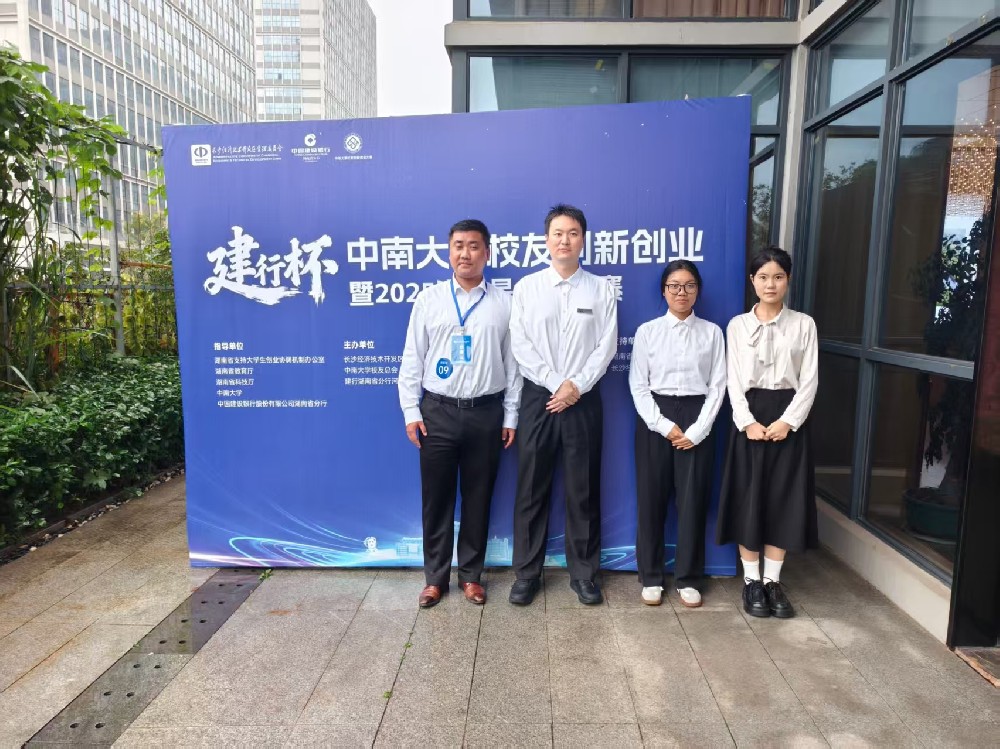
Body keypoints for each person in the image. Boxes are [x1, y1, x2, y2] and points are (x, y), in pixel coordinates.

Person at [397, 218, 522, 608]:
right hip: (438, 412)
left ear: (487, 252)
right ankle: (435, 579)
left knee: (478, 498)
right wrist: (410, 409)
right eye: (458, 246)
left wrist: (510, 415)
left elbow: (513, 365)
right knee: (436, 500)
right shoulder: (429, 300)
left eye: (473, 246)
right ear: (448, 251)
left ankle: (471, 576)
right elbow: (413, 357)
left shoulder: (505, 303)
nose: (465, 253)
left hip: (486, 413)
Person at [507, 204, 618, 606]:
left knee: (582, 490)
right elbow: (520, 343)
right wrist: (557, 383)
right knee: (531, 489)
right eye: (558, 233)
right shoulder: (527, 287)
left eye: (572, 233)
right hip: (539, 397)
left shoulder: (601, 289)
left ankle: (584, 575)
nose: (565, 240)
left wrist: (576, 386)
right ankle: (526, 574)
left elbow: (606, 345)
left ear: (583, 240)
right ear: (546, 239)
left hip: (583, 400)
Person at [716, 246, 818, 619]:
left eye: (777, 277)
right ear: (752, 281)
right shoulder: (737, 326)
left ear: (788, 280)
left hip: (788, 415)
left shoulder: (804, 324)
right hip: (750, 415)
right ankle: (751, 581)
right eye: (763, 277)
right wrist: (747, 422)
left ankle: (773, 581)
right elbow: (731, 378)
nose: (770, 284)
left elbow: (809, 380)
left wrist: (789, 421)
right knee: (749, 496)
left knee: (782, 498)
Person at [629, 260, 725, 608]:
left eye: (688, 285)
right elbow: (638, 386)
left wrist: (698, 430)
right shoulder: (648, 332)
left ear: (697, 290)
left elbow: (718, 385)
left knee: (692, 501)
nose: (681, 292)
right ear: (664, 291)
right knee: (651, 501)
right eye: (674, 285)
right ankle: (651, 577)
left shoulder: (712, 333)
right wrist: (663, 425)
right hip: (655, 417)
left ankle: (688, 578)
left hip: (698, 416)